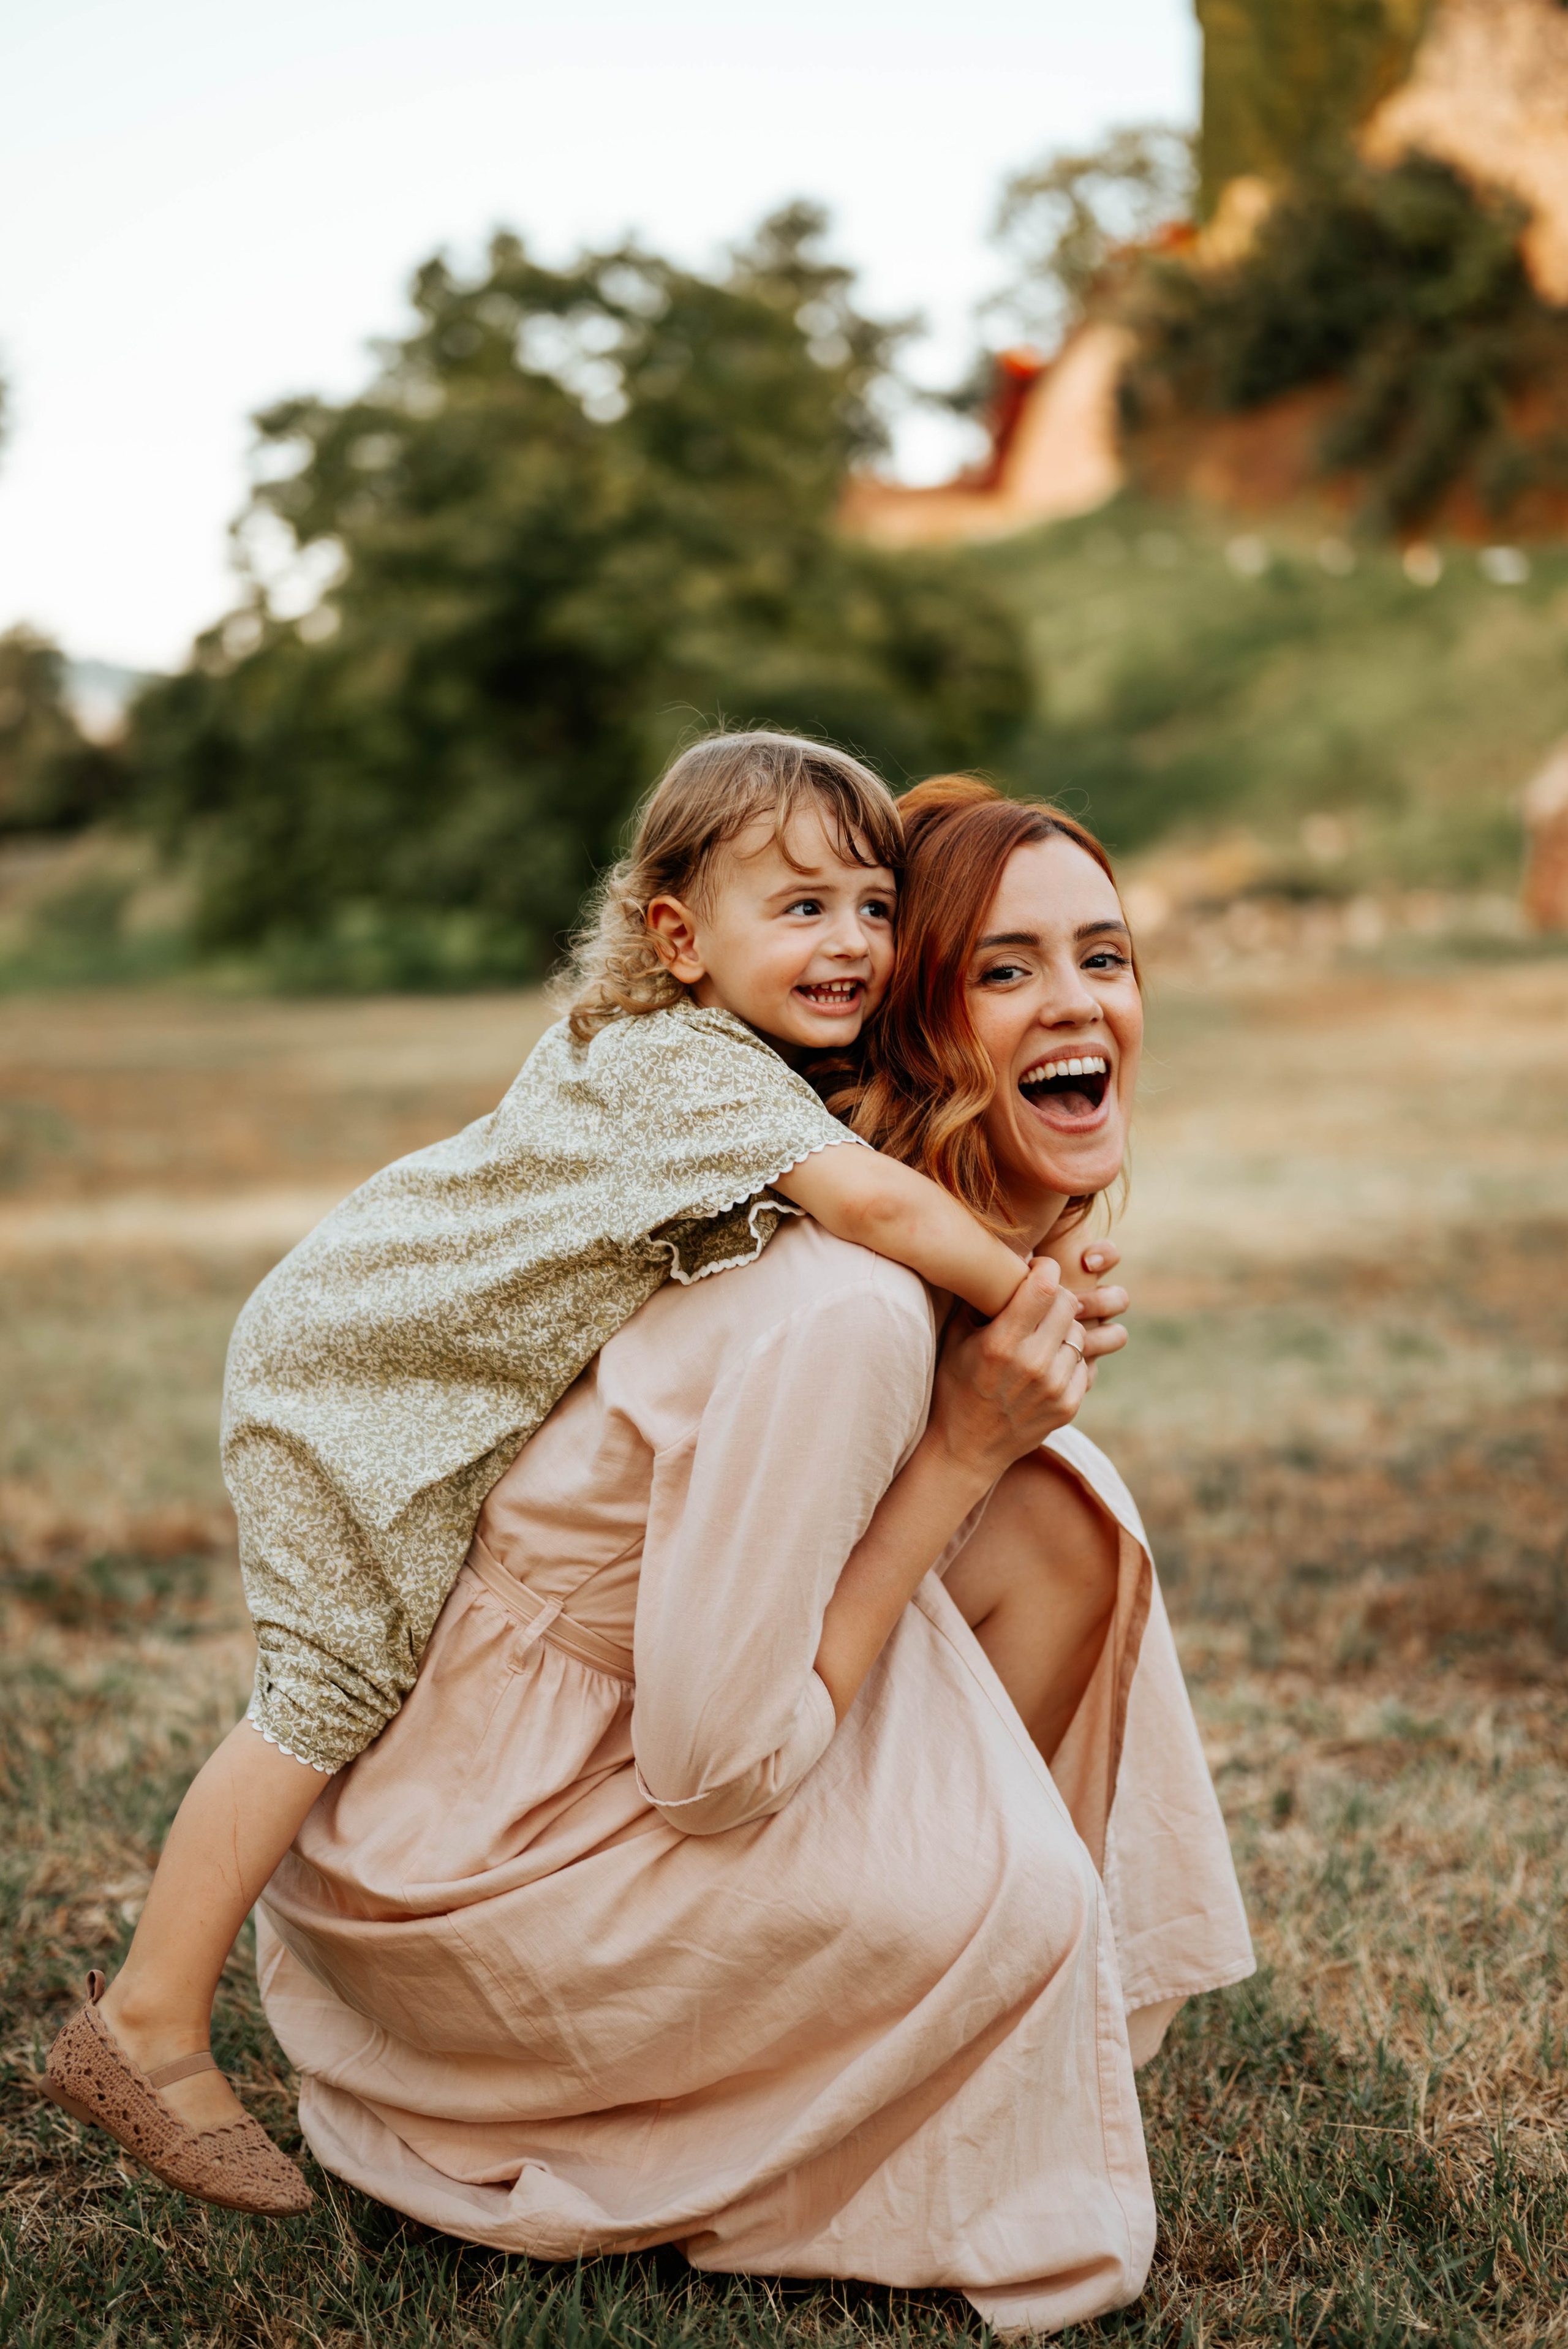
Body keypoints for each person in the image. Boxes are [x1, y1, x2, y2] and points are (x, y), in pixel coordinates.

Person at [244, 776, 1253, 2337]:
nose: (1076, 1003)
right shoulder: (841, 1301)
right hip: (485, 1875)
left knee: (1064, 1521)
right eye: (1003, 969)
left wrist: (988, 1437)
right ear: (909, 1020)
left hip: (575, 1767)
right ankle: (719, 2077)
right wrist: (960, 1448)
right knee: (1019, 1884)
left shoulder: (873, 1246)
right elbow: (712, 1771)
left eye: (1102, 955)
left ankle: (963, 2027)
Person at [42, 735, 1105, 2215]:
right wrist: (1028, 1301)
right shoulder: (684, 1064)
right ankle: (148, 2022)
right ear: (677, 936)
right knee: (330, 1686)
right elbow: (873, 1205)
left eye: (873, 907)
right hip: (358, 1373)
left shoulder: (727, 1059)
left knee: (353, 1674)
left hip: (421, 1370)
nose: (851, 942)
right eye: (800, 907)